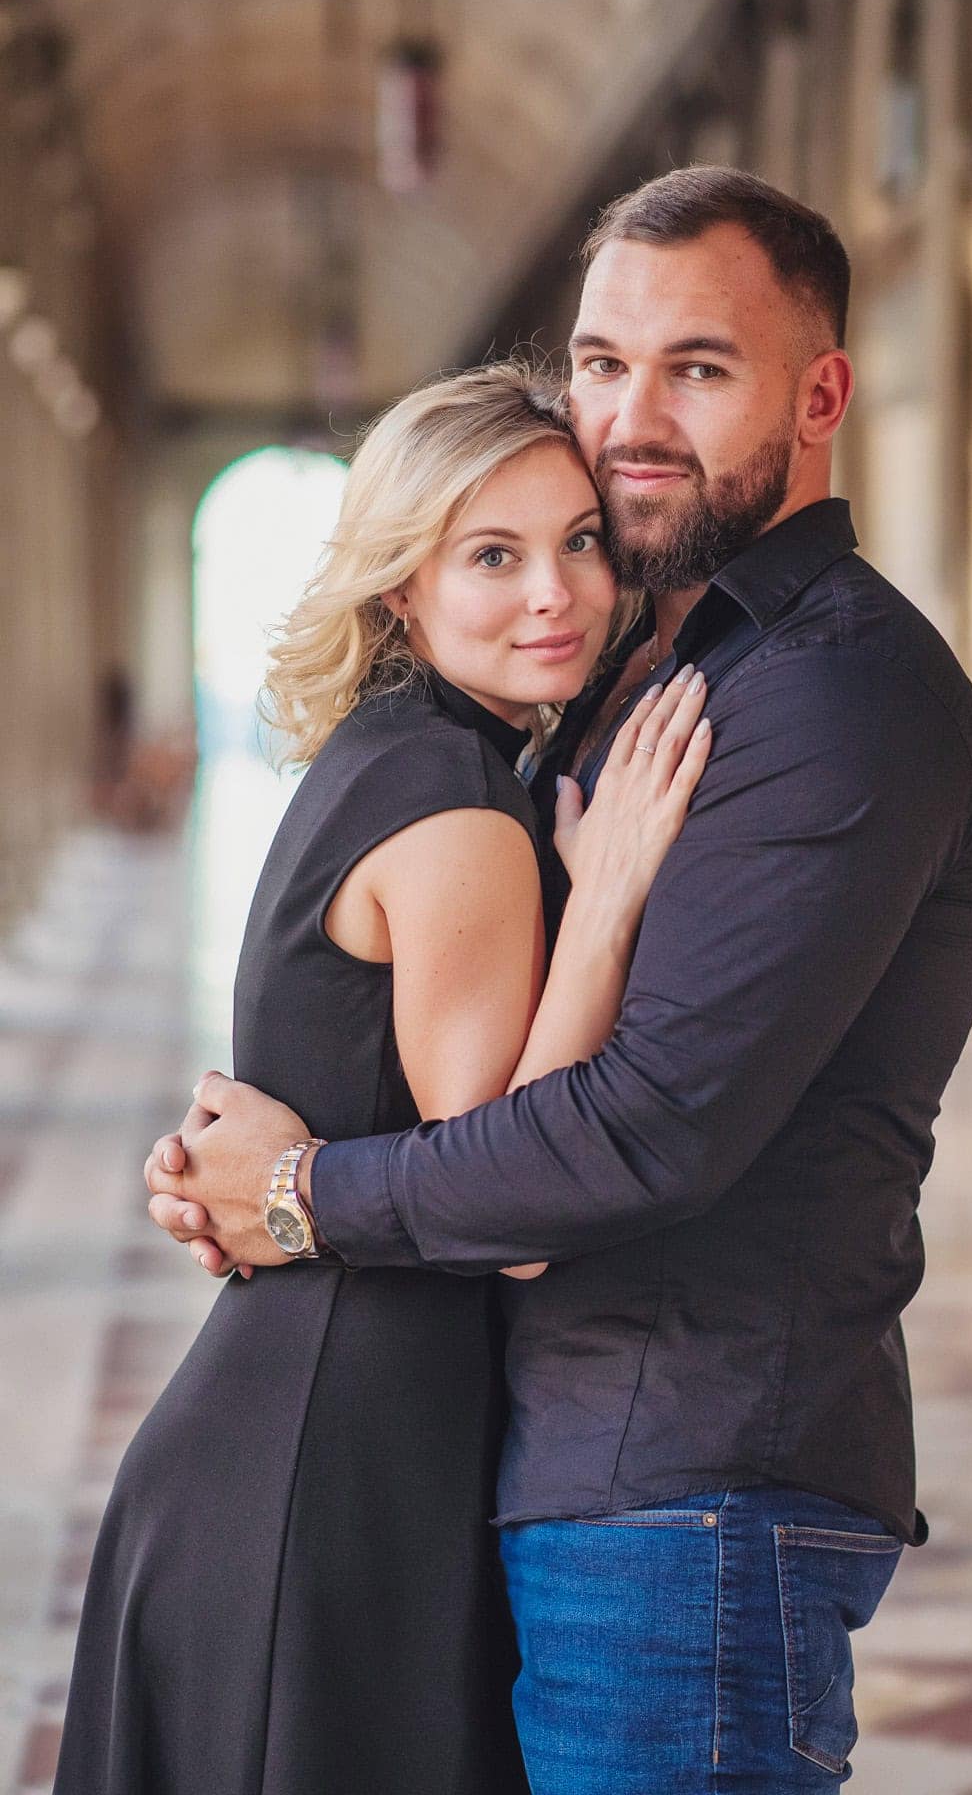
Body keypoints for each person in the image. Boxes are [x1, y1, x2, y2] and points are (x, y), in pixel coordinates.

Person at [147, 166, 972, 1794]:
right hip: (577, 1473)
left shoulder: (833, 697)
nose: (631, 417)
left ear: (820, 393)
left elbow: (642, 1130)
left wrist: (306, 1192)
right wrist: (256, 1160)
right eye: (604, 364)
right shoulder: (650, 664)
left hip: (691, 1495)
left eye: (699, 368)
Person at [54, 363, 711, 1795]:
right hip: (329, 1471)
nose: (556, 591)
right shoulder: (460, 809)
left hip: (306, 1439)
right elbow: (511, 1198)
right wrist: (602, 907)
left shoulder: (398, 758)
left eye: (580, 541)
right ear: (403, 589)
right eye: (494, 554)